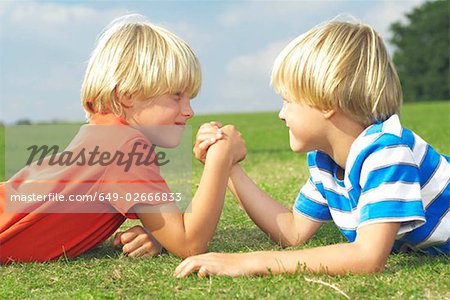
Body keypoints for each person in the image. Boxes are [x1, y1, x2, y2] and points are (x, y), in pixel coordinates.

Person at [174, 20, 450, 278]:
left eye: (287, 101)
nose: (281, 115)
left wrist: (251, 261)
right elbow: (293, 230)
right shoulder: (325, 161)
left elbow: (368, 257)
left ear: (328, 103)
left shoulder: (386, 153)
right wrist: (228, 165)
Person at [0, 14, 245, 263]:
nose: (189, 111)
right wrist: (221, 155)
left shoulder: (104, 136)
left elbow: (175, 234)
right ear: (127, 95)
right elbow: (189, 244)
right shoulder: (125, 148)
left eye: (189, 98)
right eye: (176, 96)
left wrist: (160, 235)